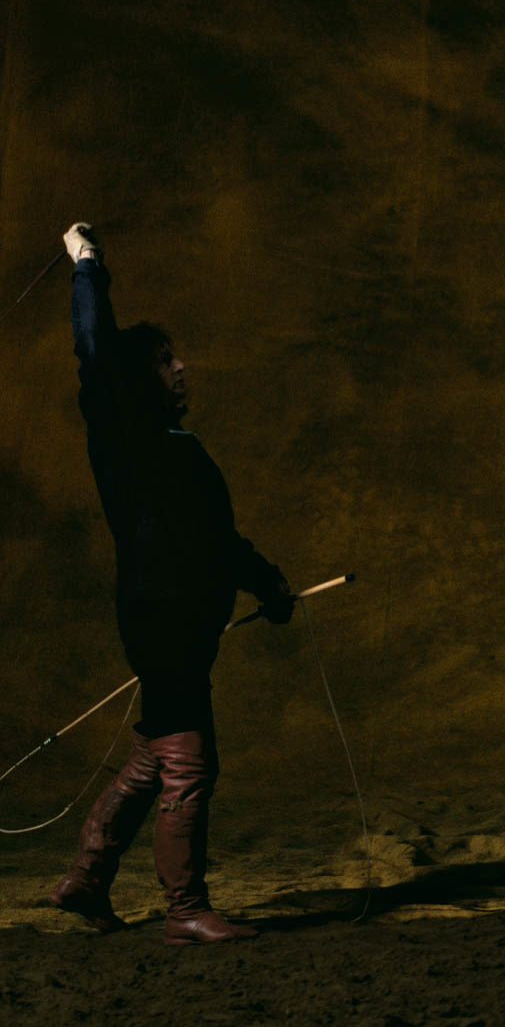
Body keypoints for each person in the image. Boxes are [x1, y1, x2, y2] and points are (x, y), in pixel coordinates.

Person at [46, 223, 293, 946]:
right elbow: (96, 353)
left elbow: (217, 540)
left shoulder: (182, 451)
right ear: (136, 377)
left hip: (180, 623)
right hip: (160, 622)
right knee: (192, 763)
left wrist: (266, 584)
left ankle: (86, 880)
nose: (180, 367)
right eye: (163, 360)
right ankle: (185, 908)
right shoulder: (123, 433)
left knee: (156, 754)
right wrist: (88, 267)